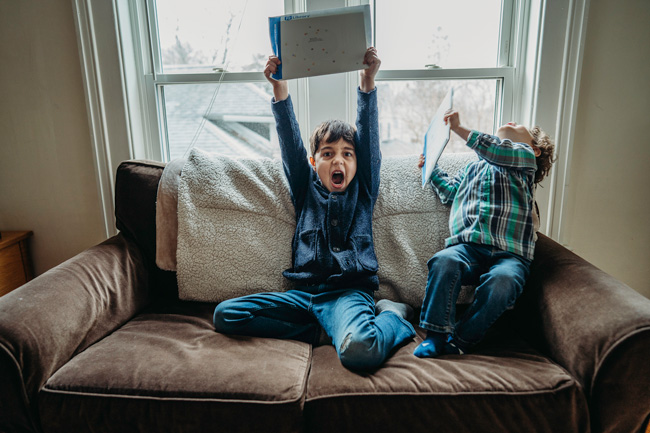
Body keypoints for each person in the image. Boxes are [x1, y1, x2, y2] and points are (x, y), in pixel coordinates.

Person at [213, 47, 415, 371]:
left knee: (361, 352)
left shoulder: (364, 188)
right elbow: (290, 142)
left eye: (348, 154)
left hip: (348, 296)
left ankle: (393, 315)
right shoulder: (305, 188)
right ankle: (322, 332)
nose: (338, 160)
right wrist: (279, 88)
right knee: (226, 315)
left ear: (357, 163)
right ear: (313, 162)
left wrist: (367, 82)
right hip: (304, 298)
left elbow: (370, 140)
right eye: (328, 153)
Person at [414, 110, 555, 358]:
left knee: (504, 281)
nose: (512, 121)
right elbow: (449, 192)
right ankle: (435, 334)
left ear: (535, 149)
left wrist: (459, 129)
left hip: (510, 254)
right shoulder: (473, 166)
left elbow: (498, 151)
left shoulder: (523, 161)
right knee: (444, 261)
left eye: (521, 126)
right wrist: (431, 169)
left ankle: (462, 339)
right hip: (469, 247)